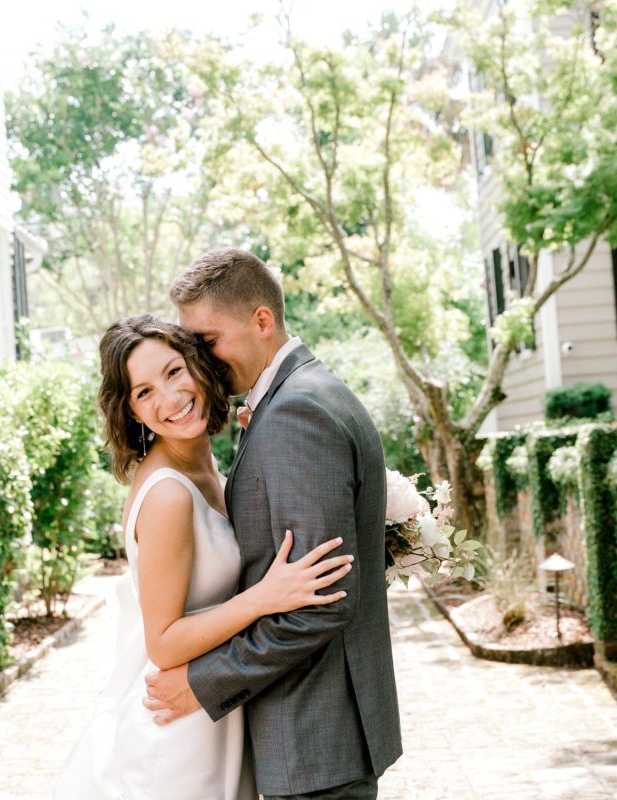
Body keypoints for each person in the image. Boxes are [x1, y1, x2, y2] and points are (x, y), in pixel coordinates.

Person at [54, 315, 353, 800]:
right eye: (144, 392)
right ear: (131, 411)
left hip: (216, 718)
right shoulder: (168, 495)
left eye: (173, 372)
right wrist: (263, 598)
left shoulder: (206, 463)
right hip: (176, 739)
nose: (169, 399)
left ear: (197, 363)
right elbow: (165, 643)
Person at [144, 249, 403, 800]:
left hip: (312, 736)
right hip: (319, 736)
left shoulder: (295, 414)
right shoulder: (299, 395)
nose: (202, 361)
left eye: (208, 341)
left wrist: (200, 684)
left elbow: (321, 602)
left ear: (262, 320)